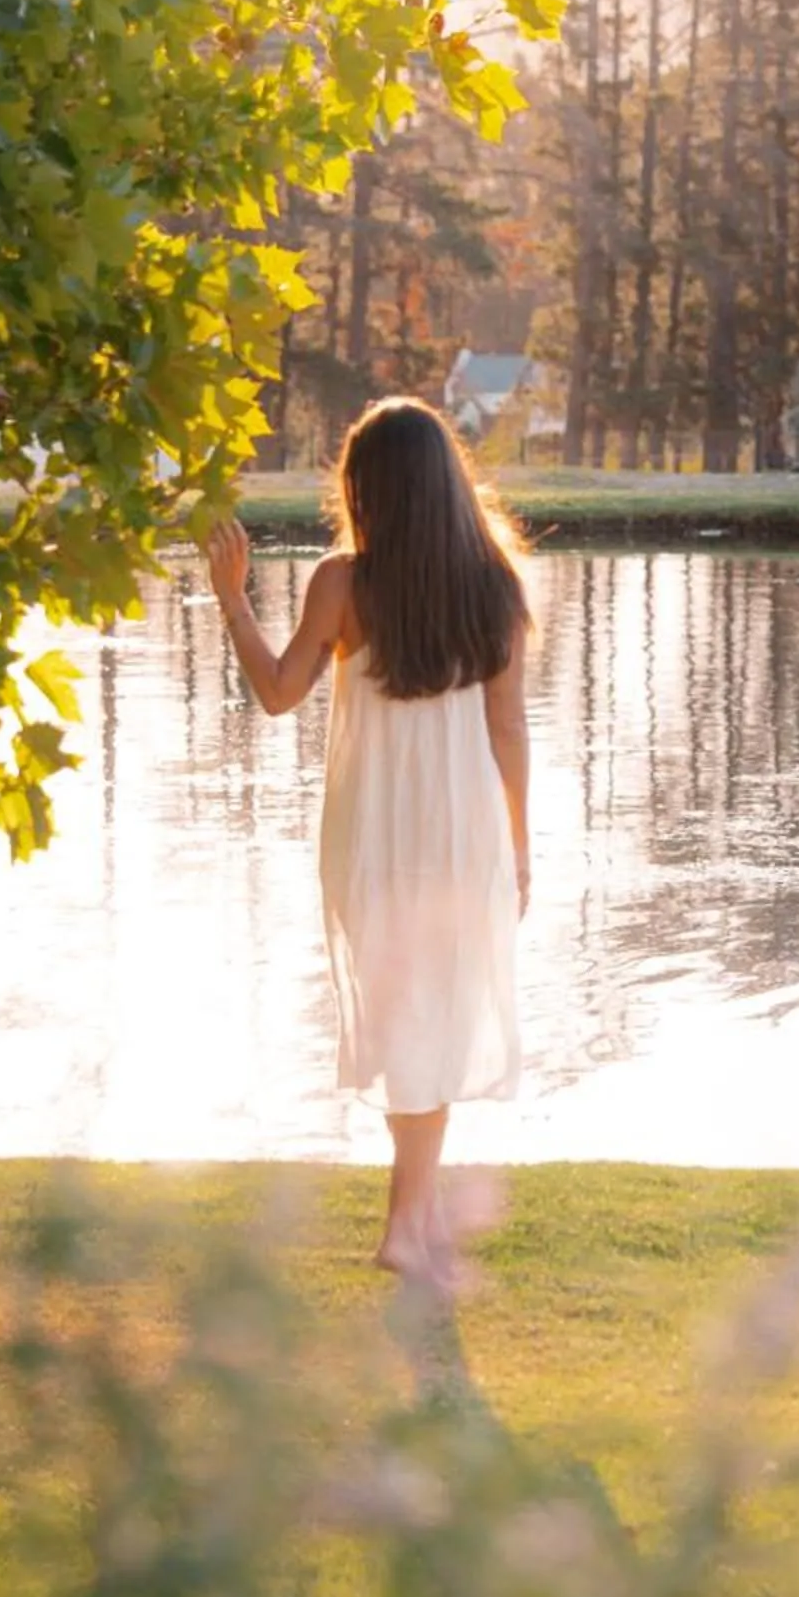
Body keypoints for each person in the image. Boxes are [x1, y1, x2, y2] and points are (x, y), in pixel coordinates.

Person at [206, 396, 531, 1292]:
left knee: (406, 1016)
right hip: (464, 829)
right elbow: (509, 729)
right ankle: (411, 1220)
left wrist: (234, 603)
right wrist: (520, 840)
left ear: (371, 488)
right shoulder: (494, 583)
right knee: (427, 1014)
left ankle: (408, 1221)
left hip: (377, 833)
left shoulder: (342, 584)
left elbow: (278, 693)